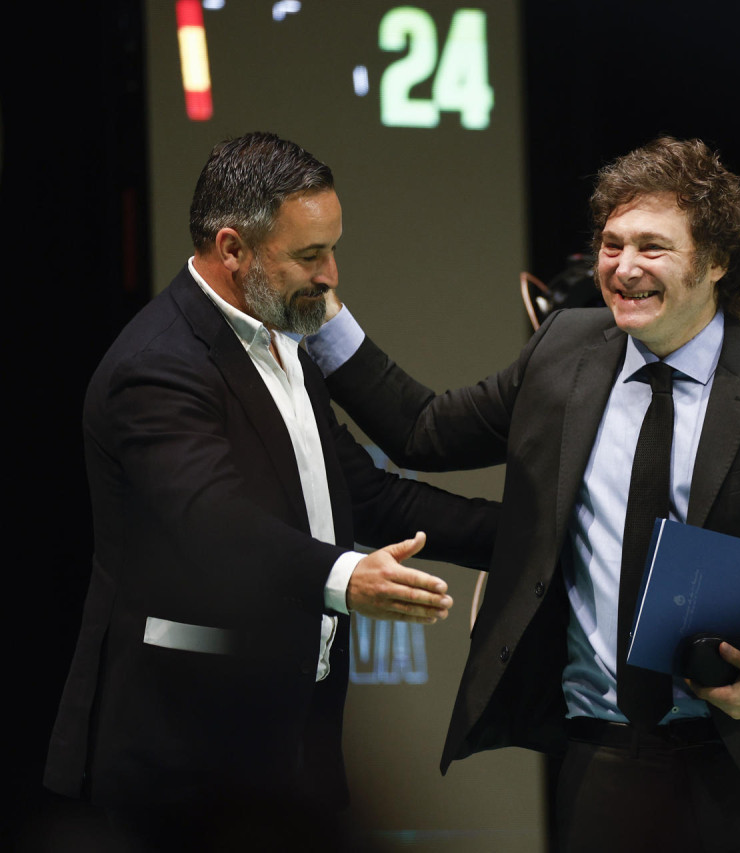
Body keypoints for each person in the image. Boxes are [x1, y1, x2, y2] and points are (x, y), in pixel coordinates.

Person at [308, 137, 740, 851]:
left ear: (714, 263)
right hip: (600, 762)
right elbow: (423, 430)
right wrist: (321, 323)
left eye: (653, 247)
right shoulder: (564, 351)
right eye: (612, 244)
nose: (624, 267)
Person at [44, 132, 499, 844]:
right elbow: (215, 528)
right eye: (310, 255)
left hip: (292, 739)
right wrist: (348, 577)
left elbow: (369, 496)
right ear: (233, 250)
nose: (330, 274)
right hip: (186, 758)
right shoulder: (156, 367)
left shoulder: (280, 338)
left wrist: (526, 537)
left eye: (332, 248)